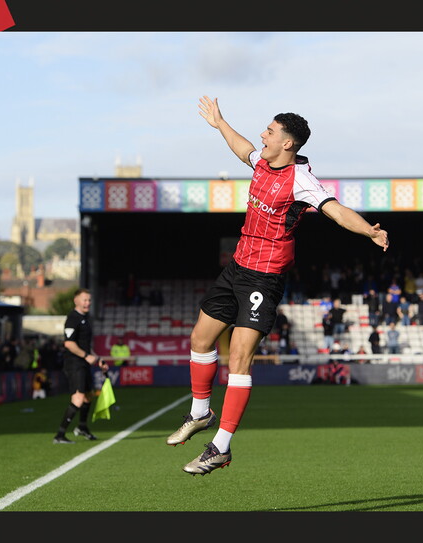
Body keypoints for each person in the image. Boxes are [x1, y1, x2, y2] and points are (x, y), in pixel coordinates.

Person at [165, 96, 389, 475]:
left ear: (288, 142)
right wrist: (220, 122)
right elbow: (243, 150)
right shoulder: (262, 163)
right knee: (200, 340)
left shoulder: (302, 180)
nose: (262, 135)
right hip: (236, 267)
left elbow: (335, 210)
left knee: (239, 357)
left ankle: (220, 447)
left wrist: (368, 230)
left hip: (264, 277)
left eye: (269, 131)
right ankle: (200, 413)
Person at [53, 288, 109, 444]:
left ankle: (82, 427)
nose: (88, 303)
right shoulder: (72, 318)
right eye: (85, 300)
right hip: (74, 363)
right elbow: (69, 344)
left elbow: (85, 346)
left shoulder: (86, 319)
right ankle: (60, 435)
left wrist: (97, 360)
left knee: (89, 396)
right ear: (76, 300)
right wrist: (86, 356)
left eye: (89, 300)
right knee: (78, 398)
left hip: (84, 363)